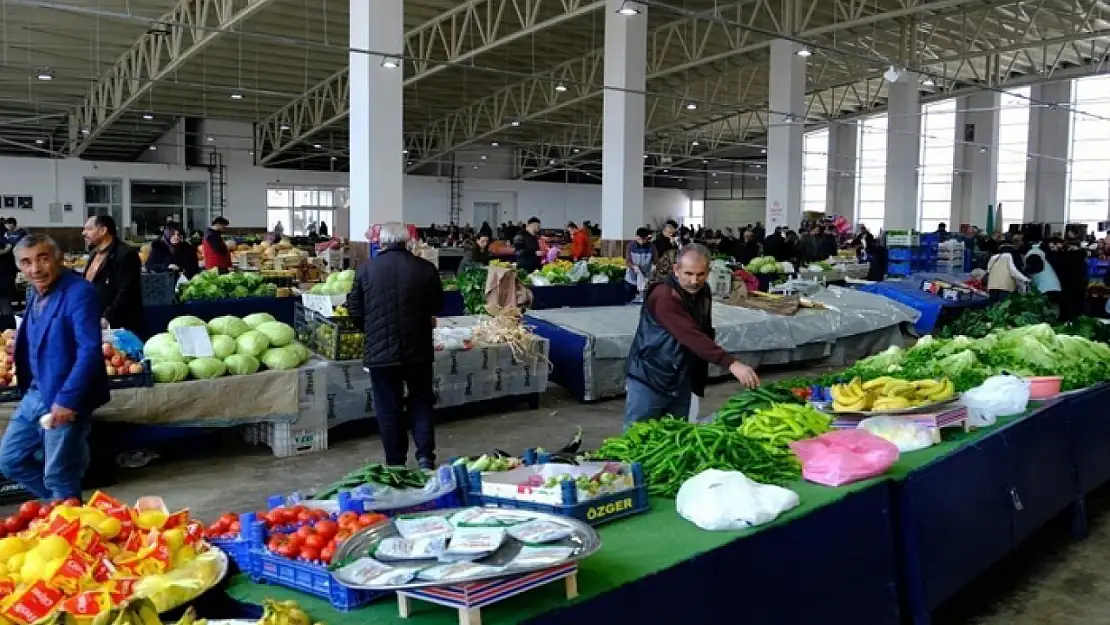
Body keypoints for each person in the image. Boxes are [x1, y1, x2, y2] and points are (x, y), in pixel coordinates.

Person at [0, 234, 109, 501]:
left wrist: (67, 400)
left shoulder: (80, 292)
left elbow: (89, 350)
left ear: (58, 258)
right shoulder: (35, 292)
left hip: (64, 395)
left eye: (42, 259)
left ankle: (69, 526)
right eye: (26, 262)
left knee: (59, 473)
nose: (35, 269)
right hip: (36, 392)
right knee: (10, 460)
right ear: (19, 267)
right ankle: (62, 508)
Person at [625, 245, 759, 426]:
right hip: (650, 376)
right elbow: (691, 335)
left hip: (681, 378)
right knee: (636, 437)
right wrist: (731, 363)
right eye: (688, 273)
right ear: (676, 270)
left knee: (676, 437)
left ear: (708, 272)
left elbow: (704, 330)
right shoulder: (664, 296)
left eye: (700, 274)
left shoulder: (703, 291)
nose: (694, 281)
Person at [347, 223, 444, 469]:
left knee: (388, 406)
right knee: (421, 402)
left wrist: (371, 330)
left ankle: (395, 463)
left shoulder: (366, 268)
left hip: (380, 354)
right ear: (408, 242)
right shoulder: (425, 268)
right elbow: (438, 303)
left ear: (381, 242)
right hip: (418, 349)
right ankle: (425, 458)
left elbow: (354, 309)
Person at [82, 216, 142, 333]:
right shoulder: (94, 253)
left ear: (103, 231)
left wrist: (107, 317)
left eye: (89, 229)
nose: (84, 233)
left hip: (117, 326)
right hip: (92, 319)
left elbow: (126, 291)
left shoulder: (126, 255)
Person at [625, 227, 656, 301]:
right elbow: (628, 260)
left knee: (645, 291)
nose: (641, 241)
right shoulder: (630, 246)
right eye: (639, 239)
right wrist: (633, 266)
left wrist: (654, 267)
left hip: (647, 273)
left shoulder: (652, 247)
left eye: (644, 239)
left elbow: (655, 261)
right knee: (630, 289)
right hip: (633, 273)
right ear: (636, 237)